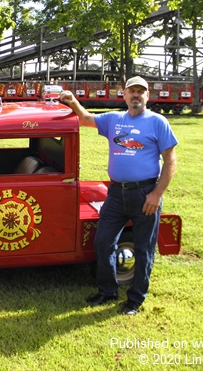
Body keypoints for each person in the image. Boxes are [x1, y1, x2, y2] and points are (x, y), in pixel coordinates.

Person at [59, 76, 178, 315]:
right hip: (115, 194)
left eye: (140, 92)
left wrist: (156, 194)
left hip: (145, 194)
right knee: (103, 242)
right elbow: (85, 119)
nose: (136, 95)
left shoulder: (158, 122)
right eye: (131, 91)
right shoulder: (114, 119)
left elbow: (170, 161)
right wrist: (72, 101)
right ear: (123, 95)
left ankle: (135, 299)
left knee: (143, 248)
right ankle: (107, 291)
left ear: (147, 96)